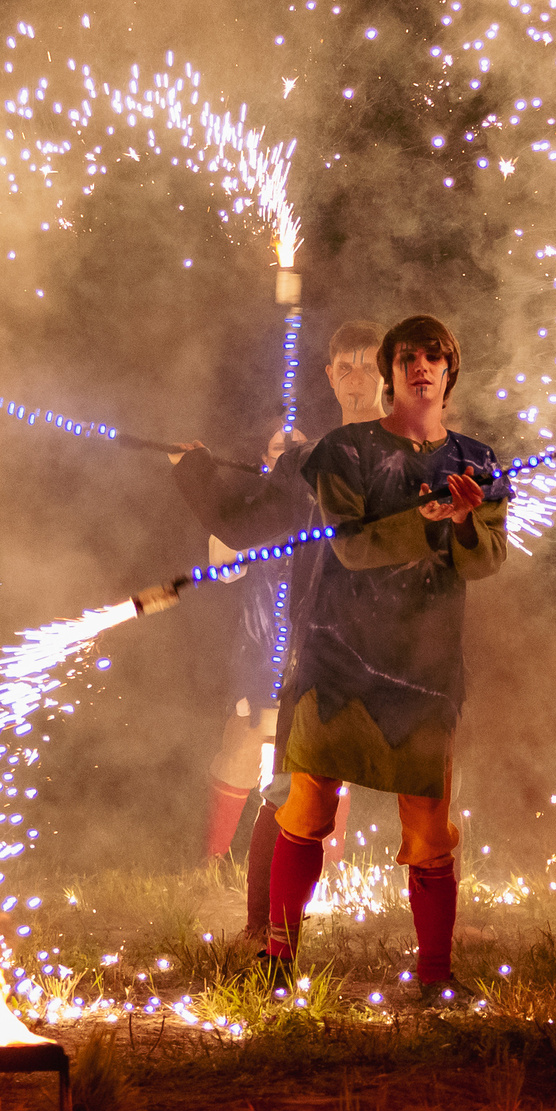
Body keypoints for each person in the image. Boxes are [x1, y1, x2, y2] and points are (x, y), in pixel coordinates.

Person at [265, 314, 507, 998]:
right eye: (408, 356)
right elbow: (351, 545)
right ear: (388, 370)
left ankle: (435, 978)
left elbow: (488, 560)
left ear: (449, 372)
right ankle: (279, 963)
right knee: (308, 807)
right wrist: (424, 520)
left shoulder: (477, 461)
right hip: (336, 657)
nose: (421, 365)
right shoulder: (342, 450)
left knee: (430, 827)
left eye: (435, 356)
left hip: (424, 667)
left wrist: (462, 519)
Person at [169, 320, 387, 938]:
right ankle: (263, 926)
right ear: (328, 375)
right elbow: (235, 537)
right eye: (344, 365)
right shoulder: (302, 475)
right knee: (278, 766)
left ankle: (323, 883)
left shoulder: (384, 452)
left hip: (368, 639)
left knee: (344, 762)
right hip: (287, 640)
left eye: (368, 364)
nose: (356, 376)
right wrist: (202, 473)